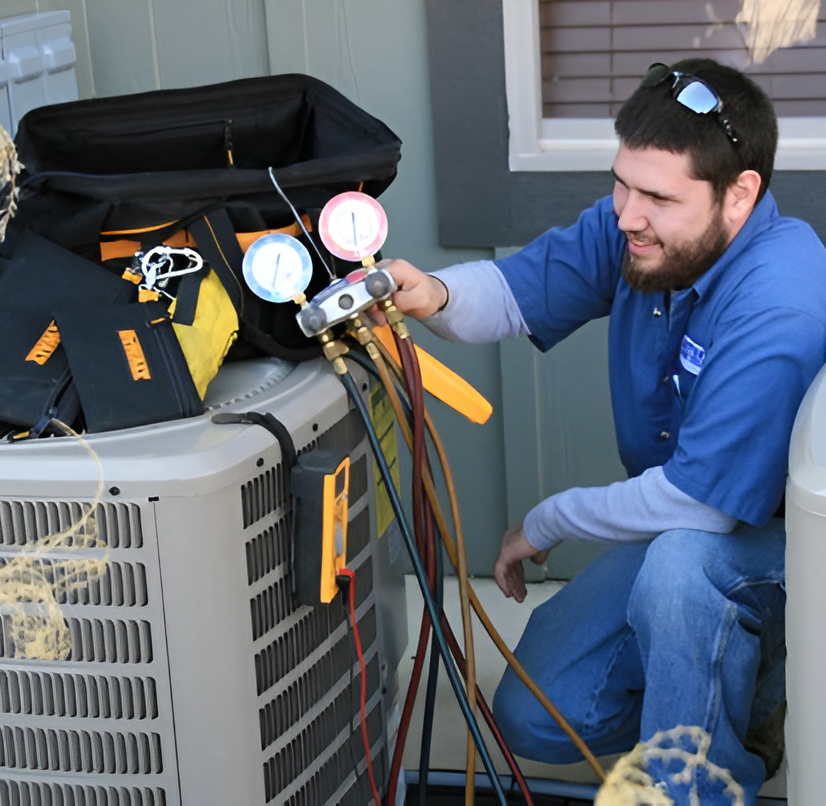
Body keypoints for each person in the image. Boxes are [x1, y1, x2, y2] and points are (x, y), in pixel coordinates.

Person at [382, 58, 826, 804]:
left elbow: (699, 508)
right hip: (688, 525)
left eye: (656, 195)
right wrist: (435, 292)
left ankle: (704, 780)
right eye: (621, 183)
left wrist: (545, 521)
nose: (625, 213)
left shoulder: (782, 300)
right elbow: (519, 293)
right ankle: (730, 703)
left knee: (683, 569)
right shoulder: (642, 232)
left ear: (740, 195)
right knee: (536, 716)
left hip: (791, 552)